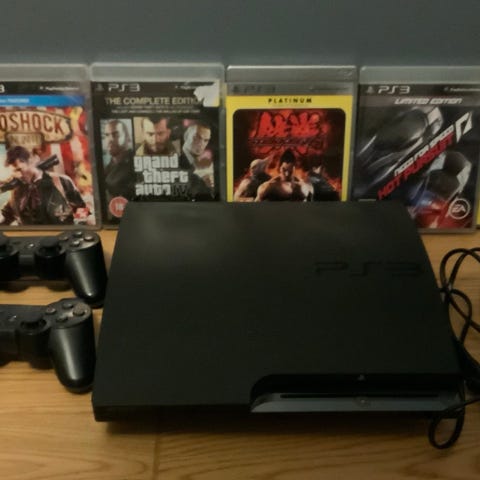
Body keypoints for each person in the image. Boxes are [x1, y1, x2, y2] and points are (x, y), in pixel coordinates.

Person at [0, 145, 85, 225]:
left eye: (19, 169)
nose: (18, 175)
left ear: (30, 162)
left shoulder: (61, 181)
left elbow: (82, 210)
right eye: (14, 172)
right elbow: (6, 217)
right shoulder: (17, 192)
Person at [179, 122, 215, 198]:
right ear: (186, 136)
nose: (201, 144)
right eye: (197, 137)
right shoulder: (176, 159)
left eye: (206, 140)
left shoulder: (207, 165)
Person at [102, 119, 135, 199]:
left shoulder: (135, 163)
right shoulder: (107, 168)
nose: (110, 139)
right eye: (107, 135)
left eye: (116, 134)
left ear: (128, 137)